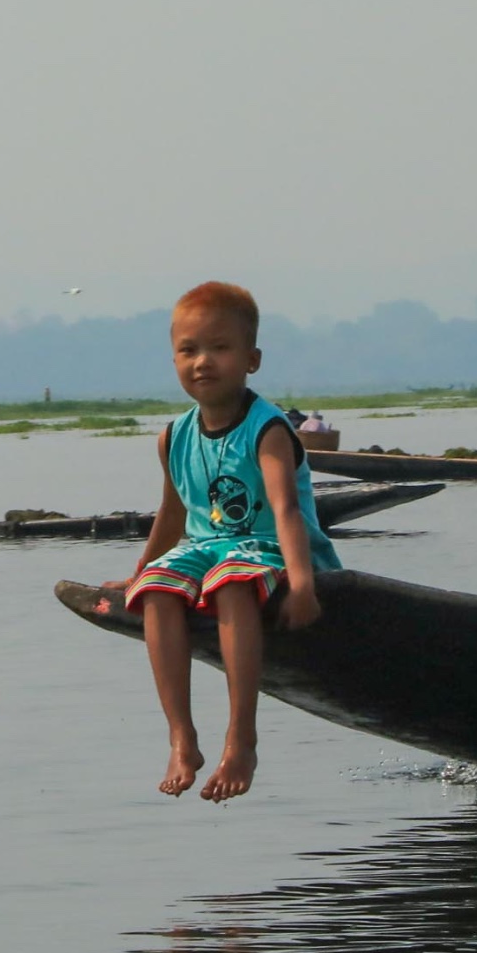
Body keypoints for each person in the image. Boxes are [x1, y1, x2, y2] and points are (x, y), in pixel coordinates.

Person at [109, 281, 341, 802]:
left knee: (230, 584)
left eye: (220, 348)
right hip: (207, 547)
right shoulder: (175, 436)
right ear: (174, 359)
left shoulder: (269, 429)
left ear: (251, 359)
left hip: (270, 548)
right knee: (158, 589)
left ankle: (242, 737)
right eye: (189, 350)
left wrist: (303, 585)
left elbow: (284, 510)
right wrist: (138, 574)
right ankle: (182, 737)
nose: (203, 361)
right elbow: (172, 515)